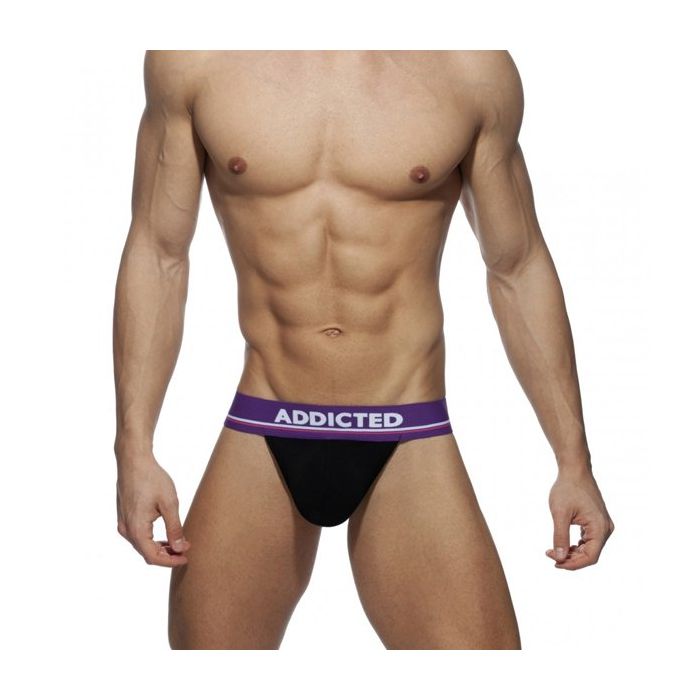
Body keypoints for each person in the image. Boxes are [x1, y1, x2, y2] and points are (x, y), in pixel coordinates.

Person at [113, 50, 614, 650]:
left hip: (408, 426)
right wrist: (133, 451)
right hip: (265, 419)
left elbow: (517, 266)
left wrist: (573, 463)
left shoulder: (470, 67)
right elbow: (158, 252)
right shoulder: (196, 59)